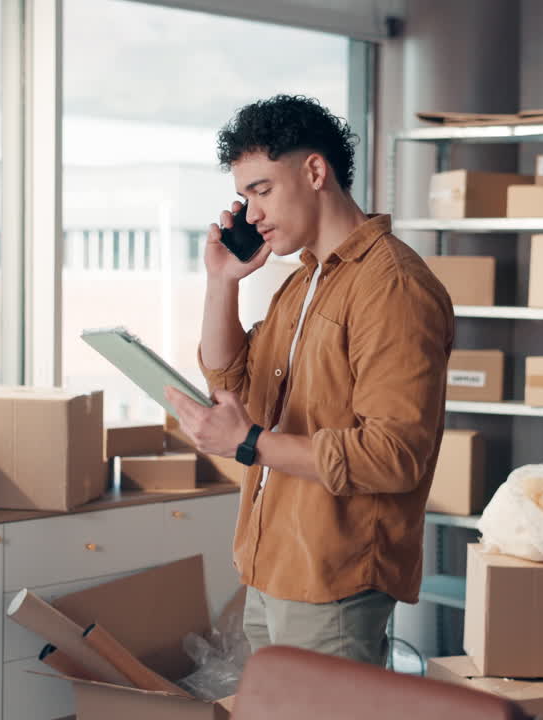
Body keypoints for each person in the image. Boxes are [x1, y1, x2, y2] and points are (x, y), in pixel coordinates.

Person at [164, 94, 454, 666]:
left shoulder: (391, 287)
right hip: (272, 563)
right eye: (244, 196)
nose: (251, 215)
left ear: (315, 171)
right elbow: (233, 381)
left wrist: (248, 443)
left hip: (334, 578)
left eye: (262, 191)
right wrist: (222, 283)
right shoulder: (303, 282)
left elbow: (395, 455)